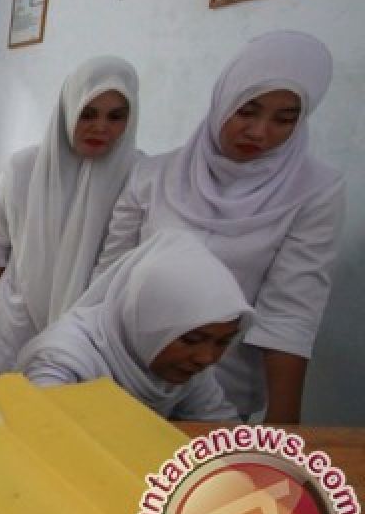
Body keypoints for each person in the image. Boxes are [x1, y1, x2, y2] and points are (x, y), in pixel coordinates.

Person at [95, 31, 344, 423]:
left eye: (285, 120)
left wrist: (283, 428)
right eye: (247, 111)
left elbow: (291, 312)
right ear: (223, 100)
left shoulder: (314, 191)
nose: (259, 132)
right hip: (127, 372)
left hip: (222, 385)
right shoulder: (154, 175)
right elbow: (109, 278)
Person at [0, 56, 141, 377]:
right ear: (69, 108)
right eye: (88, 114)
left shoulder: (136, 176)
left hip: (89, 333)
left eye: (116, 117)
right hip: (18, 321)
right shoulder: (23, 168)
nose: (101, 128)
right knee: (5, 413)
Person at [17, 230, 251, 422]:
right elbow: (45, 433)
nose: (207, 357)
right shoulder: (62, 360)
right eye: (191, 340)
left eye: (223, 342)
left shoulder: (183, 369)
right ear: (148, 320)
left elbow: (221, 429)